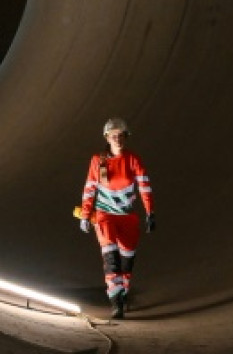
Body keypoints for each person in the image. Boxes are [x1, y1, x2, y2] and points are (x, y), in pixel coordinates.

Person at [77, 117, 155, 318]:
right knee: (111, 259)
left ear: (125, 137)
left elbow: (144, 186)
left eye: (121, 136)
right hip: (104, 215)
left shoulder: (133, 160)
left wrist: (150, 212)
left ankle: (123, 292)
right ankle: (115, 302)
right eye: (114, 136)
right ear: (107, 137)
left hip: (127, 217)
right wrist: (85, 215)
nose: (117, 139)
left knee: (127, 261)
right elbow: (90, 187)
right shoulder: (98, 160)